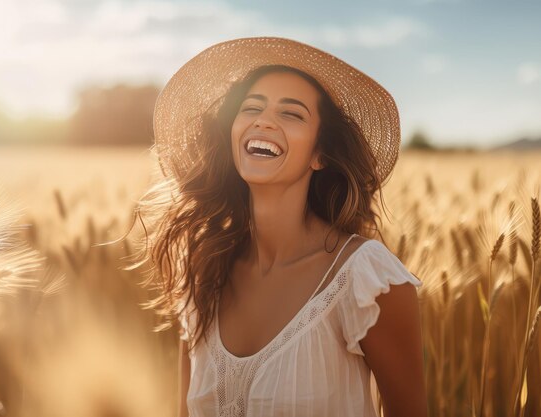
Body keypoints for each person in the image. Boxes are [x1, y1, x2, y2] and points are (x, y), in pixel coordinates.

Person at [133, 37, 427, 417]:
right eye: (251, 107)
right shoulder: (203, 273)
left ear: (320, 154)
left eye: (292, 114)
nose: (263, 119)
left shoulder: (367, 282)